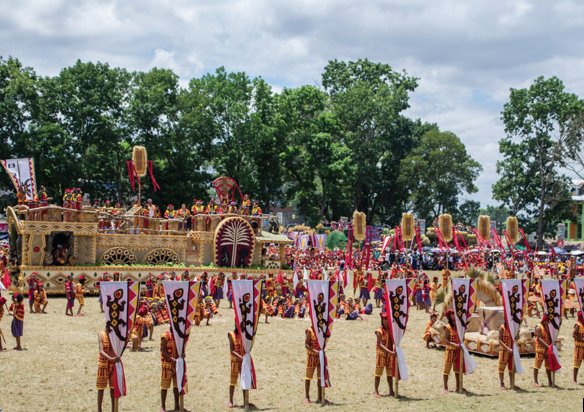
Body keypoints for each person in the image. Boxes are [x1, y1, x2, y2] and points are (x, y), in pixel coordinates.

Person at [160, 329, 188, 412]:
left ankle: (177, 405)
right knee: (164, 386)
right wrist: (173, 359)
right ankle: (163, 407)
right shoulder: (165, 336)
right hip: (167, 365)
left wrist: (182, 355)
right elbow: (164, 352)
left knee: (177, 386)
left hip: (177, 365)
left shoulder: (179, 336)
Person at [97, 328, 119, 412]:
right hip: (103, 364)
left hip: (113, 365)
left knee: (113, 387)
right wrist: (110, 358)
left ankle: (114, 409)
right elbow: (101, 351)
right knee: (101, 387)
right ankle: (99, 409)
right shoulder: (101, 335)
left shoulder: (114, 335)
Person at [374, 313, 396, 397]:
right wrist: (391, 352)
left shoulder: (391, 330)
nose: (386, 321)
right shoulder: (379, 331)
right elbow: (380, 344)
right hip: (381, 355)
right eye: (385, 319)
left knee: (390, 373)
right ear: (382, 320)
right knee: (378, 373)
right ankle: (376, 391)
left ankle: (391, 390)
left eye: (388, 319)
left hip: (390, 355)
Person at [304, 325, 327, 404]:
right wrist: (315, 351)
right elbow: (306, 345)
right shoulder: (310, 331)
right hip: (311, 357)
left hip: (320, 357)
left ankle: (320, 396)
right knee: (308, 377)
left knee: (320, 377)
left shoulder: (322, 330)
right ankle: (307, 397)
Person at [443, 310, 462, 393]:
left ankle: (458, 386)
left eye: (454, 314)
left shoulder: (459, 327)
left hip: (458, 351)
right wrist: (454, 344)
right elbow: (446, 340)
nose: (453, 316)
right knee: (447, 368)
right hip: (450, 350)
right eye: (451, 314)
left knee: (458, 369)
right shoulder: (448, 327)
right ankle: (445, 387)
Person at [534, 315, 554, 388]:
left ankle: (550, 381)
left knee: (548, 366)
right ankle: (536, 381)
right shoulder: (539, 327)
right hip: (540, 349)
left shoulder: (548, 327)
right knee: (537, 365)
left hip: (547, 349)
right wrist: (547, 345)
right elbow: (539, 338)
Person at [228, 324, 245, 409]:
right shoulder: (231, 334)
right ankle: (231, 401)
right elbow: (231, 349)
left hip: (243, 361)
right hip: (235, 360)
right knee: (233, 380)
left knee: (245, 380)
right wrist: (240, 357)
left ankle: (246, 401)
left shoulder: (245, 334)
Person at [498, 321, 519, 390]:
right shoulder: (502, 328)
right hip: (504, 351)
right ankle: (502, 384)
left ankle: (512, 383)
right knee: (501, 368)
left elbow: (517, 338)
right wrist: (507, 348)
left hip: (512, 351)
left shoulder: (513, 328)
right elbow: (500, 340)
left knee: (511, 368)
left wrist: (517, 336)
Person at [573, 311, 584, 385]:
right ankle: (574, 380)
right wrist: (582, 339)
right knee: (577, 363)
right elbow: (574, 335)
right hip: (579, 347)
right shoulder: (578, 325)